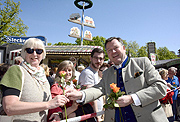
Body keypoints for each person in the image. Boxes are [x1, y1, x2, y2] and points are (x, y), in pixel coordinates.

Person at [66, 37, 168, 122]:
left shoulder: (142, 63)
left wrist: (133, 98)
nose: (113, 52)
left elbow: (161, 87)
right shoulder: (107, 73)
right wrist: (80, 94)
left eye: (116, 48)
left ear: (123, 48)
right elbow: (98, 89)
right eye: (109, 50)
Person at [0, 38, 69, 122]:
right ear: (24, 52)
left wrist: (55, 113)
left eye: (39, 51)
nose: (34, 54)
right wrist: (48, 104)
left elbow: (49, 103)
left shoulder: (42, 75)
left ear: (43, 54)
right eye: (30, 50)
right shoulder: (16, 70)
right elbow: (9, 107)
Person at [78, 48, 105, 122]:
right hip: (90, 114)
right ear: (91, 58)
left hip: (95, 114)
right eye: (96, 58)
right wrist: (97, 115)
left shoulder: (96, 73)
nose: (98, 61)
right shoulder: (87, 73)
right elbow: (91, 96)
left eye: (101, 58)